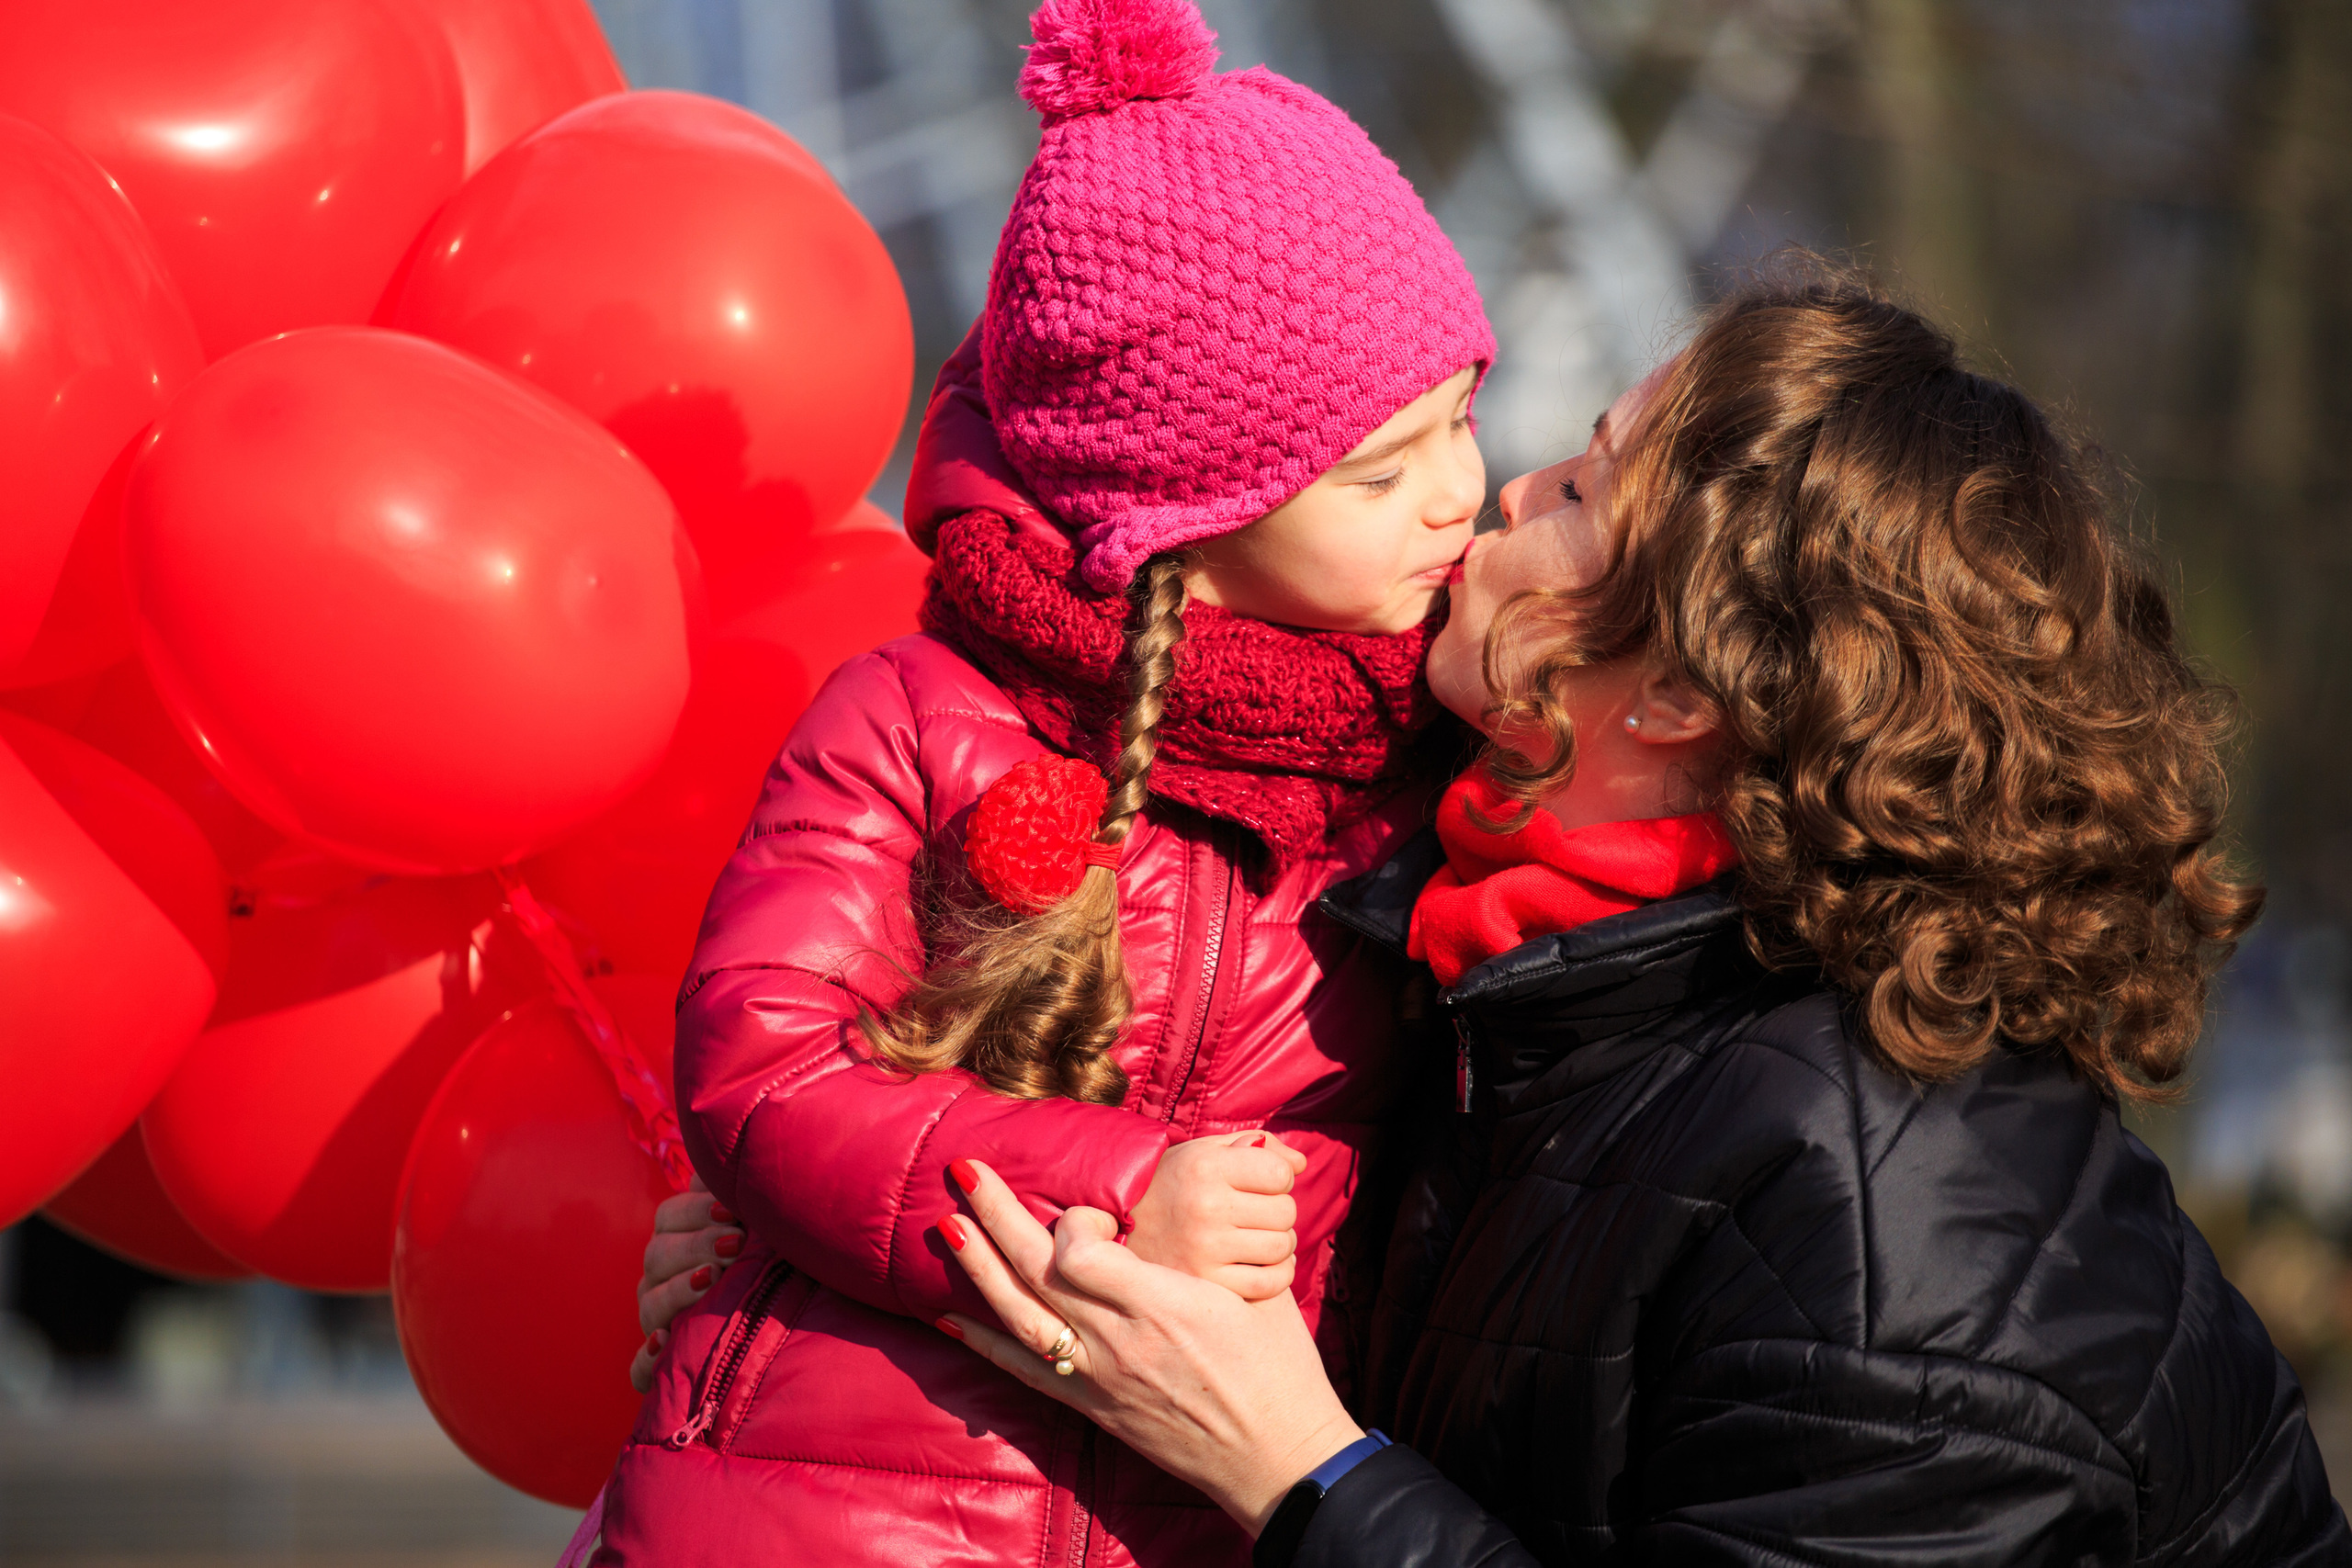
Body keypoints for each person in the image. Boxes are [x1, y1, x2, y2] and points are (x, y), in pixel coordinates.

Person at [914, 275, 2352, 1564]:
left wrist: (1302, 1472)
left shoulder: (1906, 1236)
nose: (1509, 488)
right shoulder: (1512, 982)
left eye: (1586, 497)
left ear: (1678, 694)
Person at [587, 0, 1497, 1562]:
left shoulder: (1430, 763)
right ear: (1181, 515)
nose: (1456, 496)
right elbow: (765, 1068)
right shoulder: (917, 718)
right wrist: (1124, 1191)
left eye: (1463, 418)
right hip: (839, 1510)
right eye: (1377, 471)